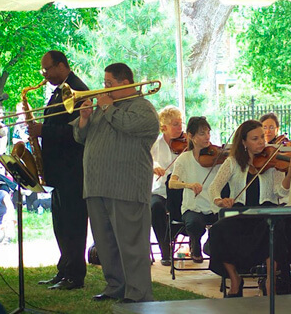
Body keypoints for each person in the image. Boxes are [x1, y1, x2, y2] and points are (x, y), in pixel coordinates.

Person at [72, 63, 159, 303]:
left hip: (126, 187)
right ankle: (115, 286)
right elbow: (80, 138)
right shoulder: (104, 108)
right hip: (97, 185)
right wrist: (84, 118)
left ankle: (138, 292)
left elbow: (128, 126)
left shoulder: (143, 108)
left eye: (108, 84)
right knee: (105, 243)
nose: (104, 88)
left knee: (131, 244)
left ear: (125, 83)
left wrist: (107, 107)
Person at [208, 120, 291, 297]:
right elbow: (214, 188)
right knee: (218, 230)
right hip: (241, 213)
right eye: (255, 138)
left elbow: (280, 191)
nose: (261, 142)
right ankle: (235, 279)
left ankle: (270, 280)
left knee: (273, 229)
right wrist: (220, 200)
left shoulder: (271, 161)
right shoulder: (232, 162)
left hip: (266, 212)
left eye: (262, 137)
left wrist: (289, 172)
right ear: (244, 142)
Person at [29, 50, 88, 290]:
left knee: (73, 224)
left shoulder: (77, 89)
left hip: (72, 170)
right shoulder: (60, 89)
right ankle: (64, 270)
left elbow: (77, 134)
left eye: (47, 69)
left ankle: (75, 274)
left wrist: (43, 131)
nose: (45, 74)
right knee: (61, 224)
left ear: (62, 65)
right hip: (59, 171)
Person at [169, 116, 220, 263]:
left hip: (214, 206)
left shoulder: (216, 156)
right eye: (202, 133)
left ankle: (210, 246)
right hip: (192, 208)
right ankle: (195, 245)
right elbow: (172, 183)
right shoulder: (184, 158)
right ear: (190, 136)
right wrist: (189, 185)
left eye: (208, 133)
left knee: (225, 223)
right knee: (194, 223)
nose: (207, 137)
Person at [151, 105, 183, 266]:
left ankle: (181, 237)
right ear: (164, 127)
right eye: (175, 124)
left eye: (180, 123)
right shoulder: (155, 143)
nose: (180, 128)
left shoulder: (187, 143)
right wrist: (154, 166)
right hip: (161, 190)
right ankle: (165, 249)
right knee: (155, 206)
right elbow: (148, 159)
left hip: (181, 189)